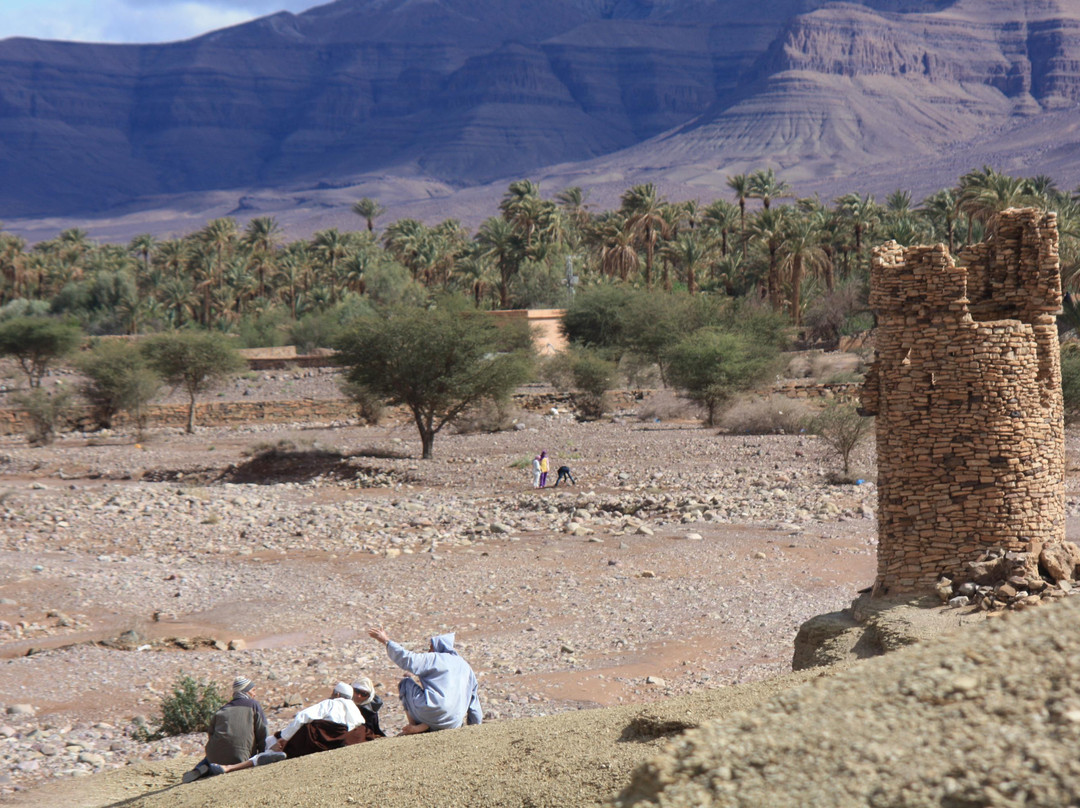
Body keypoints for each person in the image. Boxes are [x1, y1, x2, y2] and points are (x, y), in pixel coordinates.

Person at [368, 628, 482, 734]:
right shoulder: (466, 667)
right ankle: (426, 725)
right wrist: (474, 729)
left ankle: (413, 726)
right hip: (453, 722)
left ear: (437, 647)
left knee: (405, 683)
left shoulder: (435, 657)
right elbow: (474, 702)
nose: (429, 650)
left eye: (431, 647)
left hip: (433, 713)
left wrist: (386, 640)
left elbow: (408, 659)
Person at [182, 676, 277, 783]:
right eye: (253, 691)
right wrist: (263, 753)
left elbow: (211, 734)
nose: (254, 694)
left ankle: (201, 769)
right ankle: (213, 767)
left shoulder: (222, 709)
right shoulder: (253, 705)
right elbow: (262, 731)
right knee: (233, 756)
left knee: (210, 758)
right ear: (245, 691)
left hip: (214, 754)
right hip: (241, 757)